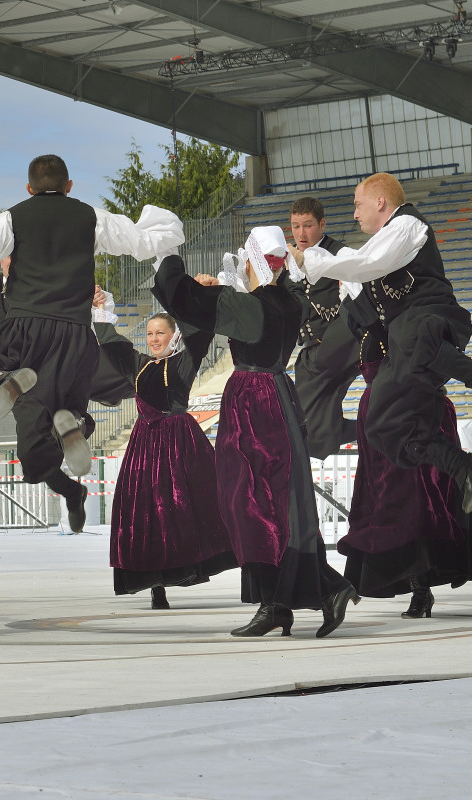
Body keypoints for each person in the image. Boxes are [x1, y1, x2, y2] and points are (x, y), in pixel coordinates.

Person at [0, 154, 183, 501]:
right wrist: (164, 238)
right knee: (60, 409)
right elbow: (142, 242)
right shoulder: (93, 218)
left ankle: (5, 381)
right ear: (69, 186)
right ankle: (74, 424)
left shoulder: (11, 219)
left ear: (29, 188)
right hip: (75, 337)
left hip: (23, 332)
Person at [156, 227, 358, 639]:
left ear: (252, 260)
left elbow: (185, 299)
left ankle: (289, 599)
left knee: (251, 501)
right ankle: (292, 598)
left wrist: (168, 253)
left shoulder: (252, 307)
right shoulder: (290, 300)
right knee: (278, 503)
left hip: (254, 405)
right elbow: (262, 297)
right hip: (278, 395)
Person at [295, 172, 472, 512]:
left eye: (358, 205)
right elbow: (359, 278)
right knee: (378, 426)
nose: (354, 214)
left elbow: (365, 265)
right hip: (408, 350)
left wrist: (307, 260)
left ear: (379, 202)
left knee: (408, 331)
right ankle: (461, 465)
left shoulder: (407, 225)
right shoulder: (379, 241)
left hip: (436, 318)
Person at [95, 289, 236, 610]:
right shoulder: (139, 365)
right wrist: (101, 308)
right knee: (147, 514)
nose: (154, 339)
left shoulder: (185, 361)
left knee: (188, 509)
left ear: (174, 335)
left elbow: (200, 334)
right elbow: (112, 343)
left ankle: (204, 565)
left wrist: (198, 296)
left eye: (160, 333)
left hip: (180, 444)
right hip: (144, 446)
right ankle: (156, 585)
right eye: (149, 334)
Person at [338, 322, 472, 617]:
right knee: (380, 501)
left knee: (413, 501)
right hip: (376, 414)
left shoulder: (414, 319)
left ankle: (421, 589)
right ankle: (405, 583)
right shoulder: (365, 316)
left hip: (406, 412)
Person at [286, 196, 359, 459]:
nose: (301, 234)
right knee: (315, 429)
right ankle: (380, 429)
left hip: (335, 349)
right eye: (295, 226)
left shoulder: (339, 254)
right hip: (308, 354)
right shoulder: (287, 258)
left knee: (307, 428)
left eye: (307, 225)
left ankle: (383, 428)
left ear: (322, 224)